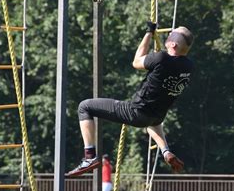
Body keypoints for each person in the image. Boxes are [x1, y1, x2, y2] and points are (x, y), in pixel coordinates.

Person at [67, 22, 194, 177]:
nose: (167, 35)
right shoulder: (188, 67)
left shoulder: (161, 58)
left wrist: (148, 33)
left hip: (136, 112)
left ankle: (89, 157)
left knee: (84, 107)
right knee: (153, 122)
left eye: (171, 34)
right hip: (155, 116)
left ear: (173, 44)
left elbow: (136, 61)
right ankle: (166, 151)